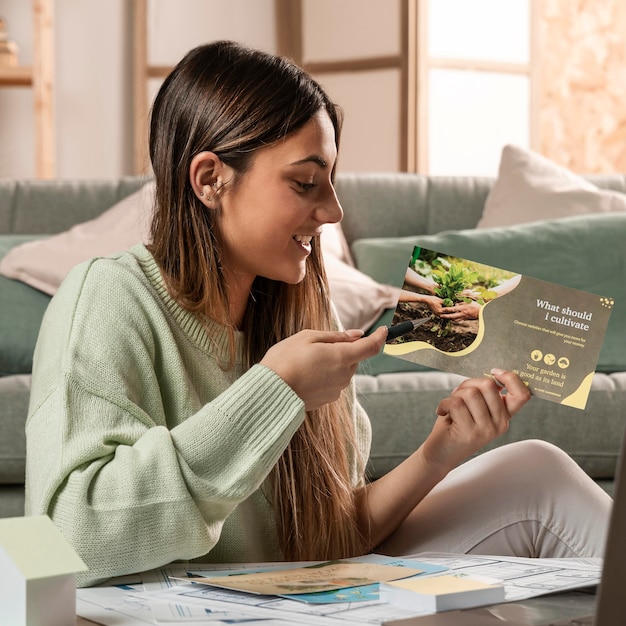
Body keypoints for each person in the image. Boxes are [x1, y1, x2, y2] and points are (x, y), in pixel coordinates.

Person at [25, 41, 611, 588]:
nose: (332, 211)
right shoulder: (108, 297)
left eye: (330, 182)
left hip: (300, 596)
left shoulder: (297, 317)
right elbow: (71, 535)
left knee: (539, 473)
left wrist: (443, 451)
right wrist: (273, 391)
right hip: (191, 612)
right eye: (305, 182)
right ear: (210, 179)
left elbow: (336, 535)